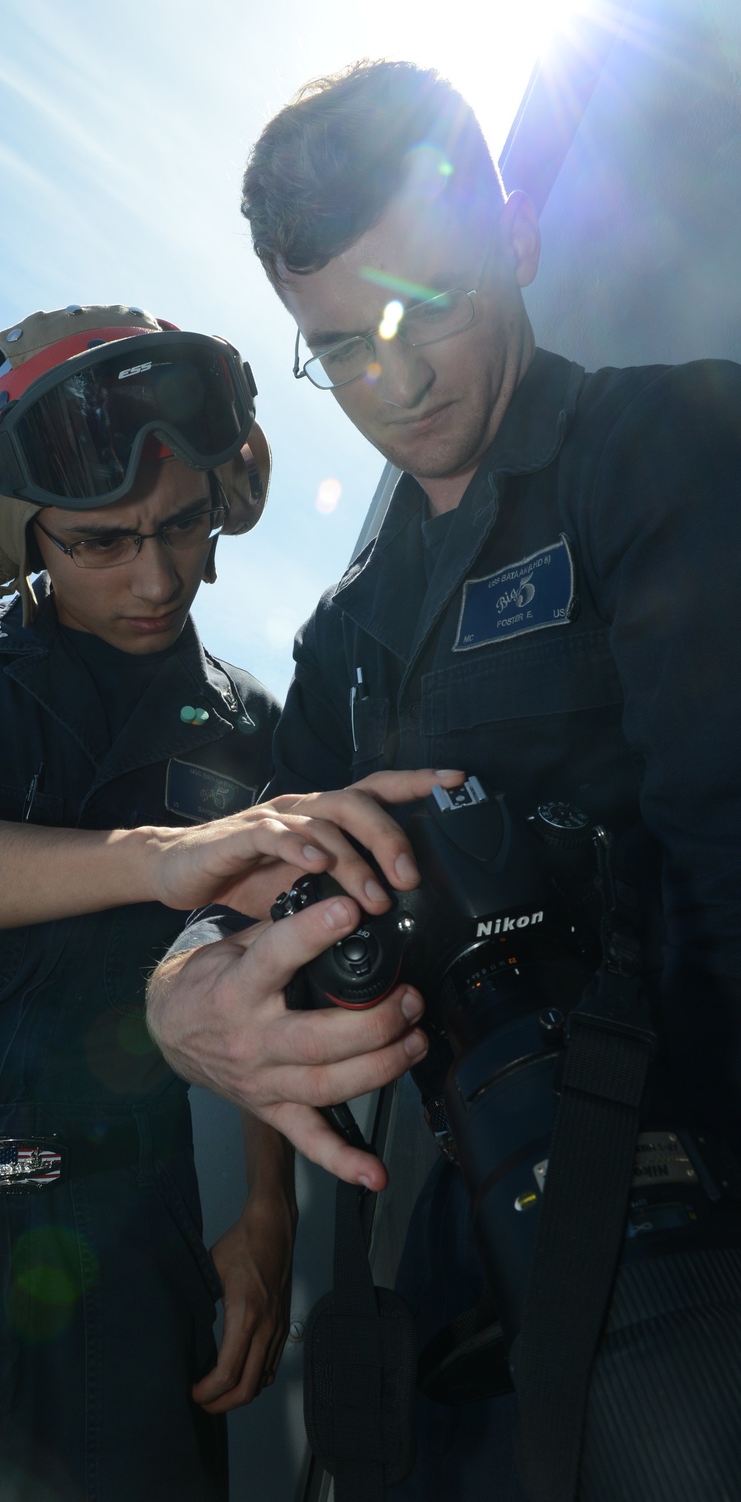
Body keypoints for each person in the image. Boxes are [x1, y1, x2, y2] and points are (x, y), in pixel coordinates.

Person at [145, 61, 741, 1500]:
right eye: (340, 346)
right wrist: (181, 997)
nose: (396, 384)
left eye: (433, 308)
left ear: (519, 239)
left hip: (691, 1230)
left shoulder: (674, 447)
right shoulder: (340, 633)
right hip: (454, 1245)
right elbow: (253, 878)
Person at [0, 304, 455, 1502]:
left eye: (181, 525)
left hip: (124, 1251)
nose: (157, 573)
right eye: (100, 540)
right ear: (15, 536)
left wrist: (266, 1214)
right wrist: (159, 856)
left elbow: (261, 978)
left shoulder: (252, 730)